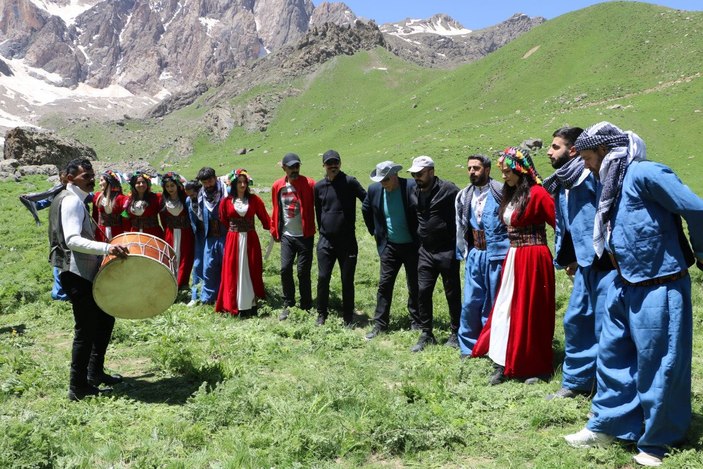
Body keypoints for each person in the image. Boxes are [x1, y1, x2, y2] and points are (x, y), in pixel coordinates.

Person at [563, 122, 703, 467]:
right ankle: (608, 425)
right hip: (622, 283)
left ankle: (657, 440)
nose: (585, 165)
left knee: (661, 364)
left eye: (588, 157)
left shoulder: (644, 173)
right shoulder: (609, 181)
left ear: (606, 151)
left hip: (660, 283)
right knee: (612, 358)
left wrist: (701, 253)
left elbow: (696, 208)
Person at [541, 126, 618, 400]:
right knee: (576, 321)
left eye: (556, 146)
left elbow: (607, 211)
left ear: (572, 150)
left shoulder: (594, 175)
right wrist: (568, 258)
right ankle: (577, 382)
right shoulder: (565, 181)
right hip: (584, 263)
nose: (549, 152)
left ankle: (608, 388)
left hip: (606, 262)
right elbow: (565, 223)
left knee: (605, 325)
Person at [471, 147, 556, 385]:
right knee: (506, 307)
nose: (504, 176)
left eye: (508, 172)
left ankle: (533, 364)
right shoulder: (511, 194)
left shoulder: (538, 194)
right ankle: (503, 358)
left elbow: (559, 222)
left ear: (521, 170)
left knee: (530, 310)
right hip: (515, 257)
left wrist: (567, 256)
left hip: (533, 258)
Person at [48, 158, 129, 401]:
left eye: (92, 174)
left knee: (104, 319)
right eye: (86, 176)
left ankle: (94, 374)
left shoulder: (69, 198)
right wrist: (107, 249)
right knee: (86, 329)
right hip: (76, 272)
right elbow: (72, 240)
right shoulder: (72, 201)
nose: (92, 179)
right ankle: (78, 386)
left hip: (77, 271)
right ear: (69, 178)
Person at [455, 154, 509, 356]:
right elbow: (462, 225)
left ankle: (492, 346)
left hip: (497, 255)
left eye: (476, 168)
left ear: (487, 170)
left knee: (493, 302)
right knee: (471, 300)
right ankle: (468, 346)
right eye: (469, 168)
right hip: (476, 254)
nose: (472, 172)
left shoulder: (501, 192)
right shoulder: (464, 195)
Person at [361, 161, 420, 339]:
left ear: (394, 176)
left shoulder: (410, 186)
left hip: (412, 245)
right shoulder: (374, 190)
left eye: (385, 179)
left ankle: (417, 322)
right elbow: (366, 208)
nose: (383, 183)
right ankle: (380, 324)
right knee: (384, 285)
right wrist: (375, 232)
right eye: (380, 180)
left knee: (415, 284)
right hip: (390, 246)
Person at [408, 156, 461, 352]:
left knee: (452, 293)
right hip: (426, 251)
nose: (416, 177)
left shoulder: (449, 189)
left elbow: (462, 212)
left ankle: (456, 332)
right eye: (414, 174)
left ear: (431, 171)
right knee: (422, 291)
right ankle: (426, 333)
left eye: (419, 174)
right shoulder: (415, 191)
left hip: (447, 250)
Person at [314, 150, 367, 326]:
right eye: (329, 163)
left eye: (336, 162)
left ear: (340, 163)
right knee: (323, 277)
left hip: (347, 242)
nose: (333, 165)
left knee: (347, 280)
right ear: (324, 165)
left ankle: (348, 317)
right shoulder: (319, 187)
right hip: (325, 241)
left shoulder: (350, 182)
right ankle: (321, 313)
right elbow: (318, 211)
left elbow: (366, 200)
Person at [215, 169, 271, 316]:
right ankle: (234, 303)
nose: (242, 185)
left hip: (251, 239)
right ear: (233, 184)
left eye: (244, 182)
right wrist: (236, 230)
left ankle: (251, 303)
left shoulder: (254, 200)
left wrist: (274, 228)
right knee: (233, 271)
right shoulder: (226, 202)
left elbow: (265, 218)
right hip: (233, 240)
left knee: (251, 268)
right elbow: (223, 219)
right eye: (239, 182)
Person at [270, 153, 316, 320]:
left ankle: (306, 304)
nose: (294, 170)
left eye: (297, 166)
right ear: (284, 168)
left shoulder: (309, 183)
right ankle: (288, 303)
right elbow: (276, 209)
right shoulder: (277, 186)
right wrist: (275, 229)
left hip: (305, 235)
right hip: (287, 235)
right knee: (285, 269)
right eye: (291, 167)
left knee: (303, 272)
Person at [195, 167, 228, 304]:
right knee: (209, 268)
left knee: (227, 266)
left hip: (226, 235)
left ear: (215, 178)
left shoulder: (226, 191)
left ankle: (225, 297)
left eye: (210, 181)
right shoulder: (201, 195)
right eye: (205, 182)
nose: (208, 185)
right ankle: (207, 298)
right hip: (210, 236)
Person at [159, 172, 195, 290]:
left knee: (185, 257)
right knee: (171, 257)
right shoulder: (163, 200)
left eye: (172, 185)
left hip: (186, 233)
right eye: (167, 186)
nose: (170, 188)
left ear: (178, 185)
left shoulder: (185, 198)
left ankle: (182, 283)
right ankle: (170, 282)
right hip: (170, 233)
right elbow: (163, 218)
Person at [92, 170, 128, 242]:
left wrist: (126, 233)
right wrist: (93, 230)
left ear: (109, 181)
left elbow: (125, 217)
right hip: (101, 232)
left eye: (102, 180)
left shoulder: (121, 198)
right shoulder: (97, 196)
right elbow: (95, 216)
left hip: (117, 232)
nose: (99, 183)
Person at [126, 171, 164, 238]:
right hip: (134, 234)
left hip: (153, 234)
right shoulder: (129, 200)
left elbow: (164, 215)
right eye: (138, 183)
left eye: (143, 182)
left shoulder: (156, 197)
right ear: (134, 185)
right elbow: (125, 216)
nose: (141, 184)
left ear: (147, 184)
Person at [185, 180, 205, 306]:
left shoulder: (208, 200)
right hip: (199, 235)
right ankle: (195, 295)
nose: (191, 198)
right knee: (198, 265)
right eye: (189, 195)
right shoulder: (188, 201)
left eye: (193, 195)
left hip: (213, 234)